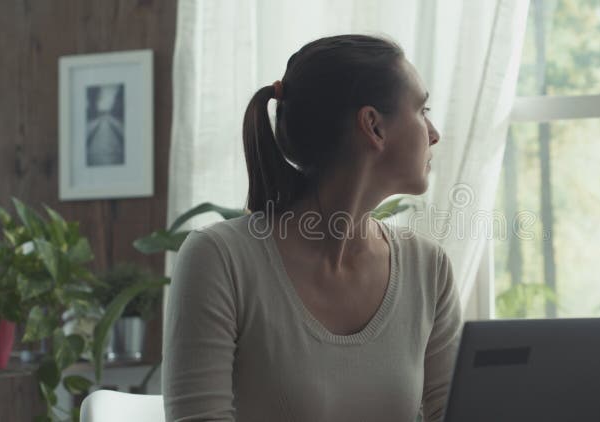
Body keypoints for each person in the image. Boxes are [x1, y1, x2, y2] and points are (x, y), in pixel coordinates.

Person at [162, 34, 463, 422]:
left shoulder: (428, 268)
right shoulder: (220, 259)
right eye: (422, 110)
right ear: (374, 126)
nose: (434, 133)